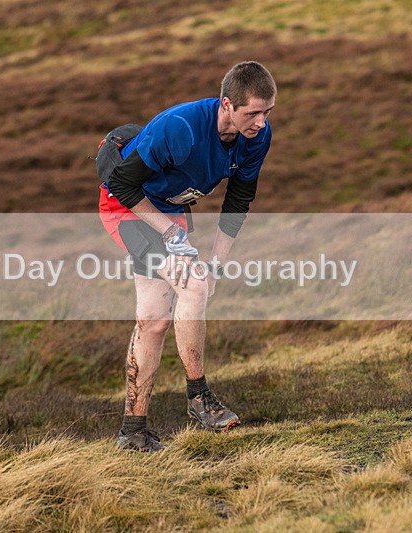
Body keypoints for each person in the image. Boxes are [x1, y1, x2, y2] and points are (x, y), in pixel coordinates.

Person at [97, 61, 276, 452]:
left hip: (170, 208)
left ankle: (132, 432)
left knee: (155, 321)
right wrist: (172, 233)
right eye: (253, 113)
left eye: (267, 112)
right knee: (193, 285)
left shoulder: (256, 137)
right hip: (128, 205)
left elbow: (239, 199)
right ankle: (199, 399)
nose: (261, 122)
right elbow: (124, 184)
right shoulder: (181, 127)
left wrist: (216, 261)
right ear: (226, 104)